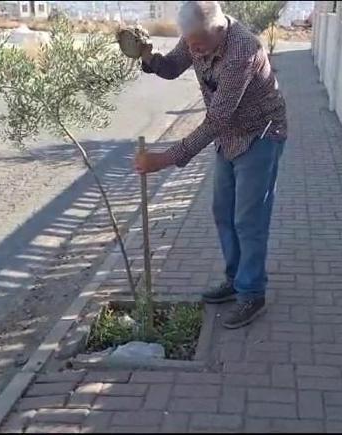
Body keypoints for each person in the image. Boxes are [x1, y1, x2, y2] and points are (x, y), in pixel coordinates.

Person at [127, 1, 287, 329]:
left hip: (261, 134)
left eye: (197, 43)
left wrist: (164, 160)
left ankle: (252, 293)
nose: (192, 48)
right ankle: (235, 279)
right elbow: (171, 66)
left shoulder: (243, 50)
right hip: (228, 136)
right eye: (187, 41)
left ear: (218, 30)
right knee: (222, 211)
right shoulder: (196, 36)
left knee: (248, 219)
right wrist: (148, 56)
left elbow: (216, 119)